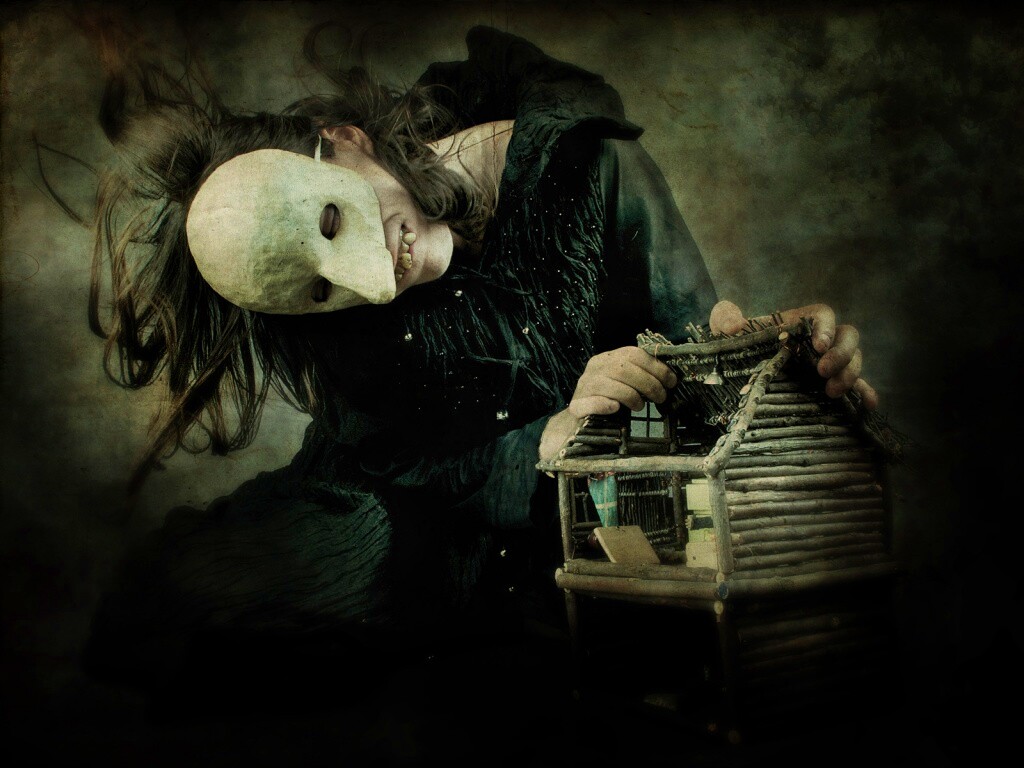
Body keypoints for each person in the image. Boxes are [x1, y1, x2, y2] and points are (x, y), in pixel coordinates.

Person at [83, 24, 877, 699]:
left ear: (347, 139)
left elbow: (696, 346)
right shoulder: (347, 327)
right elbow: (404, 460)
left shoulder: (588, 162)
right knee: (177, 611)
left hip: (578, 507)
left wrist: (778, 352)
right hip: (390, 501)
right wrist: (547, 438)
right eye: (322, 290)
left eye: (330, 220)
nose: (373, 280)